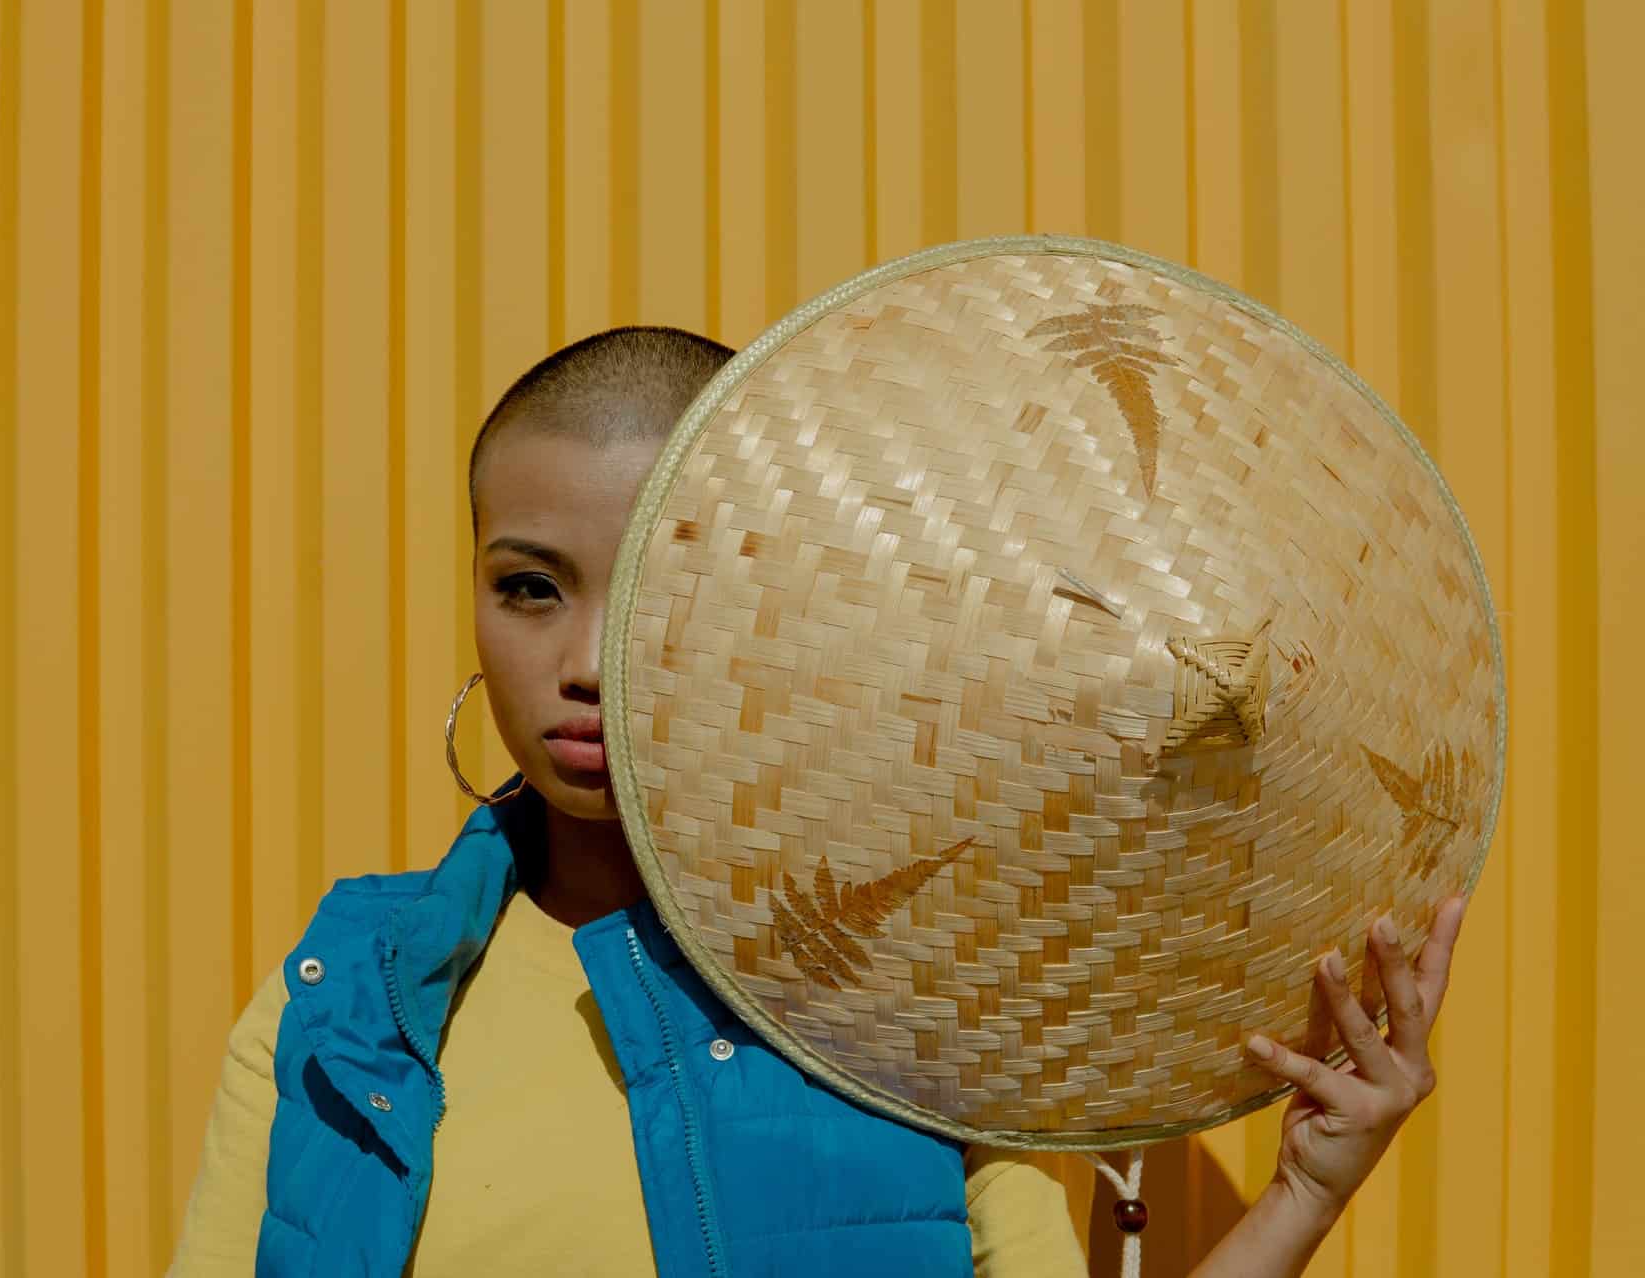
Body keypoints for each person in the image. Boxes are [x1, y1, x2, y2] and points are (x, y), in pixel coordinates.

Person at [167, 326, 1467, 1277]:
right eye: (528, 586)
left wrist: (1302, 1191)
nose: (584, 661)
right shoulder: (346, 1002)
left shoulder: (907, 1007)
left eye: (661, 588)